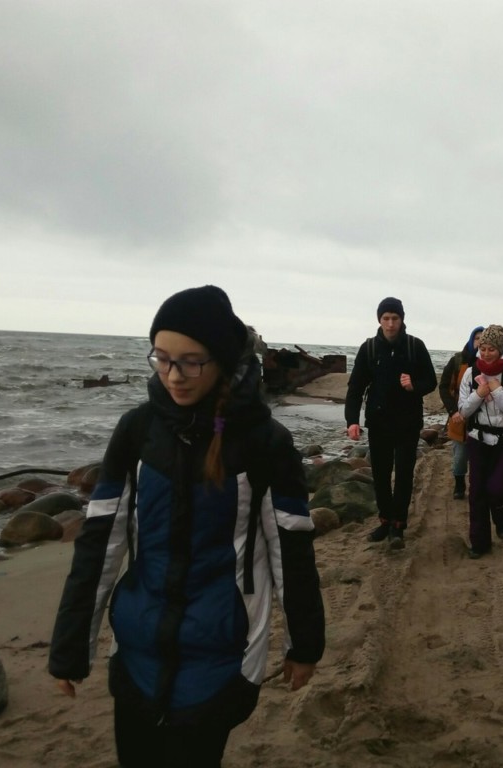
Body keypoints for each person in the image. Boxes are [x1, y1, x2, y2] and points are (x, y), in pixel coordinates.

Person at [49, 286, 325, 768]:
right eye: (162, 359)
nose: (174, 375)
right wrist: (71, 647)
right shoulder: (137, 431)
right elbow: (100, 544)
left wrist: (304, 645)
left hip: (222, 654)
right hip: (136, 652)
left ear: (222, 360)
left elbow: (291, 549)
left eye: (191, 362)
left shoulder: (265, 443)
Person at [345, 297, 437, 550]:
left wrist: (414, 386)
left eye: (395, 318)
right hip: (379, 422)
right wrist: (352, 420)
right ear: (379, 320)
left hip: (408, 422)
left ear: (402, 319)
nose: (390, 324)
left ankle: (398, 525)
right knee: (381, 475)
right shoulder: (369, 348)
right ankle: (385, 521)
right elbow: (355, 387)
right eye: (385, 318)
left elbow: (431, 381)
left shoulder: (415, 346)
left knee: (404, 474)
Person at [457, 324, 503, 559]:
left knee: (496, 489)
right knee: (477, 493)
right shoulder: (470, 373)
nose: (486, 353)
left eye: (491, 349)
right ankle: (479, 543)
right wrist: (479, 394)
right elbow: (463, 411)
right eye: (483, 348)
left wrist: (497, 391)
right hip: (477, 440)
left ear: (501, 349)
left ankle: (501, 518)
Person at [438, 326, 485, 499]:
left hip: (484, 419)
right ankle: (459, 485)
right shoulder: (458, 360)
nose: (480, 341)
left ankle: (478, 487)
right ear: (472, 340)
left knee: (481, 458)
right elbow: (444, 387)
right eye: (477, 338)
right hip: (460, 418)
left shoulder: (491, 362)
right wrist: (453, 411)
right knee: (459, 457)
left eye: (484, 338)